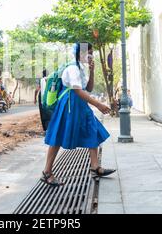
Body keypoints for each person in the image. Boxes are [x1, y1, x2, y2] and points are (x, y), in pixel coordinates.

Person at [42, 43, 116, 186]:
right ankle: (47, 172)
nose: (91, 56)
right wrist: (98, 104)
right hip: (69, 105)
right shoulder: (72, 68)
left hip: (80, 104)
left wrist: (92, 71)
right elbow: (77, 91)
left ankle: (95, 167)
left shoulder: (81, 68)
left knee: (92, 129)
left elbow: (88, 88)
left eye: (92, 53)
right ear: (80, 54)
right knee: (58, 136)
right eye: (89, 53)